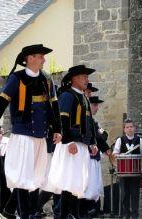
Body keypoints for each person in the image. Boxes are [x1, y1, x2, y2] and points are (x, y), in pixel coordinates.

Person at [0, 44, 62, 219]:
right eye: (41, 56)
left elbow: (54, 106)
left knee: (35, 178)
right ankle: (25, 214)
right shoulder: (16, 78)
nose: (44, 60)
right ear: (29, 58)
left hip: (40, 136)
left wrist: (57, 129)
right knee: (23, 178)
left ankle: (24, 212)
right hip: (23, 135)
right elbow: (1, 104)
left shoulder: (47, 79)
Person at [48, 64, 98, 218]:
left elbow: (89, 123)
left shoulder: (84, 98)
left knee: (78, 185)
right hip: (70, 145)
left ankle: (75, 215)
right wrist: (68, 142)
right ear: (74, 79)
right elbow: (62, 119)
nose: (87, 80)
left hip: (82, 146)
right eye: (84, 77)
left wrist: (92, 142)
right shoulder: (67, 95)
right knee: (68, 184)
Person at [81, 96, 111, 217]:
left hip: (94, 156)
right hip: (87, 156)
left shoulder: (94, 122)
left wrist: (105, 146)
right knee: (86, 184)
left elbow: (102, 136)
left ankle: (94, 209)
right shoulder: (86, 119)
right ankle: (86, 210)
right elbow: (98, 137)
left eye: (97, 105)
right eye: (94, 105)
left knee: (94, 185)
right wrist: (103, 143)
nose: (96, 107)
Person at [112, 119, 142, 219]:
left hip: (135, 172)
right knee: (124, 195)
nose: (130, 129)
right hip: (124, 172)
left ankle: (135, 215)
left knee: (135, 194)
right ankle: (126, 215)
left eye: (131, 127)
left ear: (134, 128)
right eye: (127, 127)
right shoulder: (120, 140)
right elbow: (115, 154)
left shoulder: (139, 140)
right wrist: (120, 155)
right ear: (124, 129)